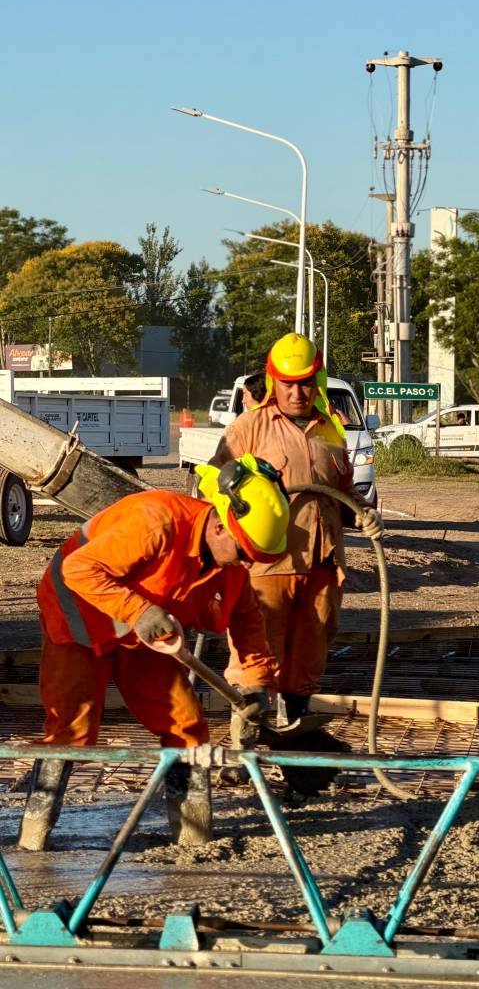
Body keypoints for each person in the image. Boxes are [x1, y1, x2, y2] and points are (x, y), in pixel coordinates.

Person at [19, 454, 289, 850]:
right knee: (70, 732)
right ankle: (32, 839)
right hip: (79, 616)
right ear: (219, 525)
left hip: (145, 631)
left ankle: (195, 838)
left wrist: (254, 682)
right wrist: (139, 611)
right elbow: (78, 570)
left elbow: (246, 619)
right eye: (246, 552)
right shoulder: (155, 520)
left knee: (187, 724)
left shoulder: (229, 565)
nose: (249, 564)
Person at [210, 333, 383, 790]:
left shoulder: (331, 430)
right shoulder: (249, 428)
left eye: (305, 382)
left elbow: (343, 495)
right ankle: (239, 756)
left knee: (304, 667)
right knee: (254, 663)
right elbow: (214, 486)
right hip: (265, 570)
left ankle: (298, 764)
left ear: (317, 380)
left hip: (323, 567)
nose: (297, 392)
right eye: (287, 382)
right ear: (273, 381)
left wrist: (363, 515)